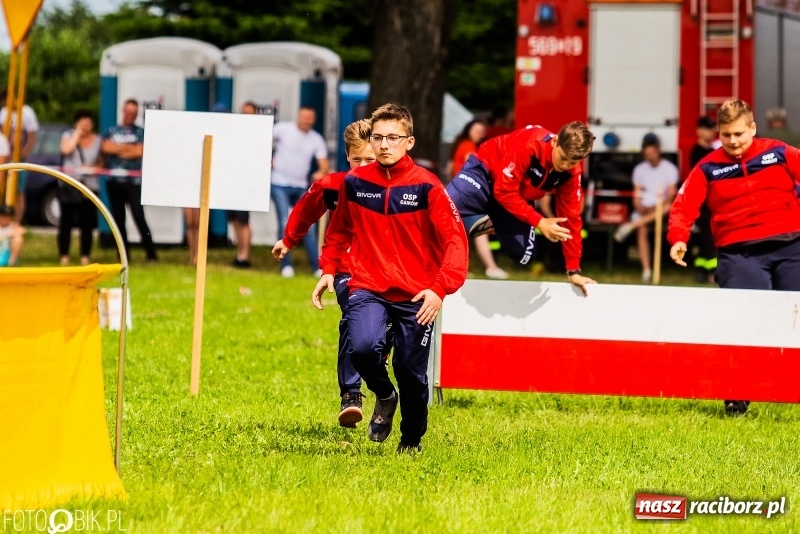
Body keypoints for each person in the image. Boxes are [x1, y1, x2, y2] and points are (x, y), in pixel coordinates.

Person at [312, 103, 469, 453]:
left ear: (409, 141)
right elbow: (338, 233)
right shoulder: (354, 183)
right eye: (378, 137)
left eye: (393, 138)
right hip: (368, 285)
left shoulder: (428, 187)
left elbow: (456, 241)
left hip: (417, 294)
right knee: (363, 347)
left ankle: (411, 439)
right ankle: (384, 394)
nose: (384, 145)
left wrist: (439, 289)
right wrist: (328, 269)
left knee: (412, 373)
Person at [668, 99, 800, 416]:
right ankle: (736, 398)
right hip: (739, 253)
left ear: (752, 128)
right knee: (742, 323)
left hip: (790, 246)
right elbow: (684, 206)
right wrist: (678, 238)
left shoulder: (779, 152)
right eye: (726, 135)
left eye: (739, 133)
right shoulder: (707, 167)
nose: (734, 141)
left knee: (795, 319)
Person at [273, 119, 379, 427]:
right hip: (346, 268)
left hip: (387, 270)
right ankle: (351, 394)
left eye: (369, 160)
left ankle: (377, 352)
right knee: (353, 318)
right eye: (356, 159)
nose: (362, 166)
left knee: (379, 331)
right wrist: (289, 239)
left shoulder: (395, 187)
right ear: (347, 157)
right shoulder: (333, 185)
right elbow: (306, 210)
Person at [445, 122, 597, 295]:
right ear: (555, 142)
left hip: (512, 194)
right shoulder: (532, 144)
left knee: (523, 254)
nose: (564, 165)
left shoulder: (571, 174)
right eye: (562, 157)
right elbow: (503, 190)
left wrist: (574, 270)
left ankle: (489, 221)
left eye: (573, 162)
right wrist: (539, 221)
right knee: (446, 205)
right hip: (485, 170)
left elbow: (571, 220)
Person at [272, 106, 330, 277]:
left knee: (308, 227)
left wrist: (319, 174)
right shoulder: (283, 130)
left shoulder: (316, 139)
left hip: (301, 186)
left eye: (310, 117)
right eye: (304, 116)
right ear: (298, 116)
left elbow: (324, 166)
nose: (307, 120)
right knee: (284, 222)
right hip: (279, 183)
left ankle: (317, 267)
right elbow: (261, 139)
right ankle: (286, 266)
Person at [613, 135, 679, 282]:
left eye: (652, 153)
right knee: (642, 229)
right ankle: (647, 270)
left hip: (662, 209)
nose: (649, 157)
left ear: (658, 151)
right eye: (647, 154)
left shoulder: (670, 169)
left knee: (667, 206)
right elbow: (636, 196)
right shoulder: (640, 170)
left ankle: (629, 226)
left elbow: (670, 197)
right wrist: (640, 206)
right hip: (645, 210)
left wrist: (656, 207)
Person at [448, 119, 508, 280]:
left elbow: (449, 168)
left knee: (460, 234)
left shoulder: (462, 145)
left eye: (482, 131)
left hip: (457, 196)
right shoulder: (469, 147)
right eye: (477, 130)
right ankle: (491, 267)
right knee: (478, 231)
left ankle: (463, 269)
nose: (480, 133)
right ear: (469, 130)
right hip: (465, 197)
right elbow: (472, 167)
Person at [102, 98, 158, 262]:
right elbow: (106, 148)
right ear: (122, 111)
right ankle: (123, 256)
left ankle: (151, 254)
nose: (130, 115)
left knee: (139, 217)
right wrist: (128, 148)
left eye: (134, 113)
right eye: (128, 112)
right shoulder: (111, 130)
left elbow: (140, 151)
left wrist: (118, 149)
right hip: (114, 182)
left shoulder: (141, 132)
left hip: (134, 183)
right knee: (118, 219)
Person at [58, 109, 102, 266]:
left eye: (89, 122)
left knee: (87, 223)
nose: (86, 125)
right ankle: (64, 256)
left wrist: (94, 168)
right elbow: (66, 150)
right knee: (66, 222)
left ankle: (85, 256)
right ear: (76, 123)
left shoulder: (98, 140)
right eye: (82, 122)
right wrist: (77, 133)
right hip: (69, 184)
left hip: (89, 185)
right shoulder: (67, 136)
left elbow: (102, 161)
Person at [688, 116, 720, 283]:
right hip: (703, 202)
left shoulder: (713, 151)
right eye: (708, 128)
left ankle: (704, 270)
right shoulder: (697, 152)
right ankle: (708, 272)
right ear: (699, 130)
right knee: (706, 238)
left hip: (712, 201)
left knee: (710, 237)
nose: (711, 132)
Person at [0, 90, 39, 224]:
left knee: (18, 191)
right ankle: (4, 220)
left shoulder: (27, 112)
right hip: (5, 156)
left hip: (19, 158)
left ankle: (16, 221)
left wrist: (23, 153)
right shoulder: (4, 112)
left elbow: (32, 136)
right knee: (3, 189)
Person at [227, 101, 258, 268]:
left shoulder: (258, 134)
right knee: (235, 220)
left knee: (243, 220)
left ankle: (245, 256)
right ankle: (240, 253)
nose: (246, 116)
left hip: (247, 183)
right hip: (233, 180)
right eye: (243, 112)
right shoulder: (235, 132)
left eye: (249, 113)